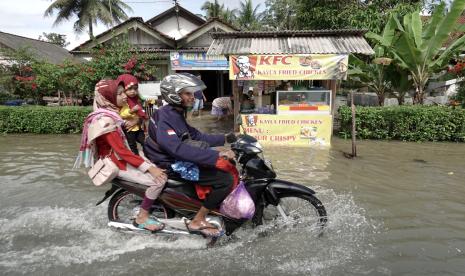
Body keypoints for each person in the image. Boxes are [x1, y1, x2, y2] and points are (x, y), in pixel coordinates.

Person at [144, 73, 237, 238]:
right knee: (225, 179)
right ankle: (198, 220)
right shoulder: (167, 117)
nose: (192, 97)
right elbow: (177, 149)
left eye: (192, 93)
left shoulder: (174, 113)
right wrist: (215, 157)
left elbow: (196, 136)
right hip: (168, 163)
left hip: (171, 156)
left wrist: (226, 138)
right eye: (187, 93)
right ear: (174, 94)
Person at [76, 79, 167, 232]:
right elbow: (122, 152)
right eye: (119, 94)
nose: (125, 96)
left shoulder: (112, 114)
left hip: (123, 158)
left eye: (123, 92)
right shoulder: (104, 121)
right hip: (118, 163)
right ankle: (142, 217)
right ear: (108, 98)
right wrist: (150, 169)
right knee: (159, 180)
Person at [116, 74, 147, 155]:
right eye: (129, 89)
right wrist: (131, 111)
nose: (133, 91)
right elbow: (120, 114)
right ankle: (136, 159)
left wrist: (139, 119)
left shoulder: (136, 100)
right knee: (132, 145)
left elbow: (140, 113)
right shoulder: (123, 101)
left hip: (137, 127)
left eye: (135, 89)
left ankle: (148, 155)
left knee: (145, 142)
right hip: (128, 129)